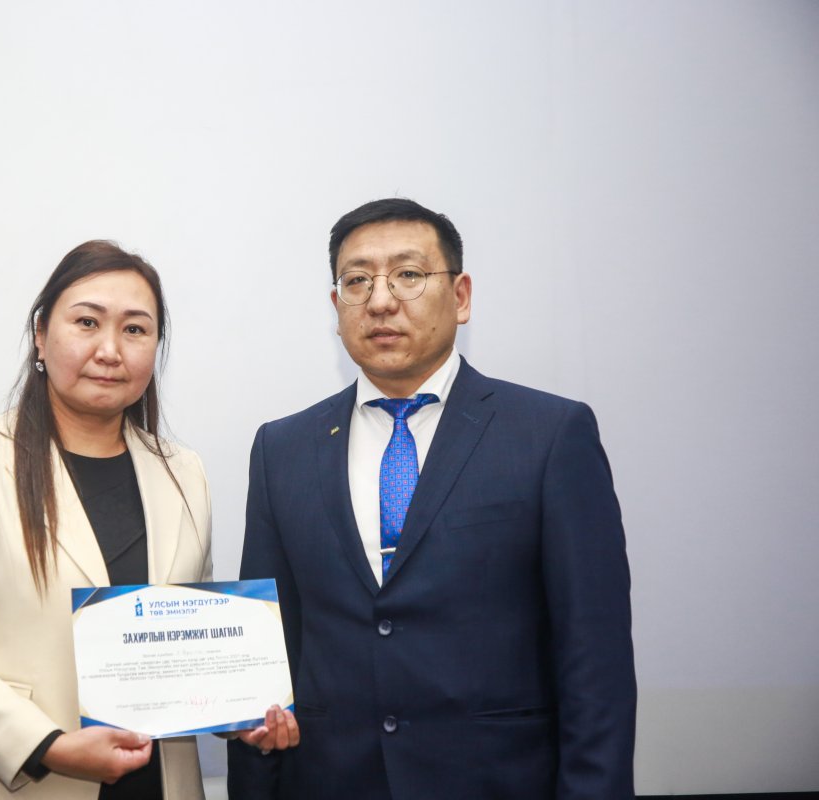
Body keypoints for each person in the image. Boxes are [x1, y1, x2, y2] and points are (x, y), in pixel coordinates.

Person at [227, 199, 637, 799]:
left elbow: (594, 660)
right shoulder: (281, 448)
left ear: (461, 296)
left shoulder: (549, 435)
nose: (381, 300)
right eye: (357, 281)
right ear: (336, 306)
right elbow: (267, 657)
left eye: (408, 275)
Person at [0, 240, 292, 800]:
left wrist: (238, 712)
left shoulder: (183, 471)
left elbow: (186, 643)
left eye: (135, 329)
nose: (110, 350)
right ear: (40, 335)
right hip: (26, 783)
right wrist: (45, 744)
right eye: (87, 322)